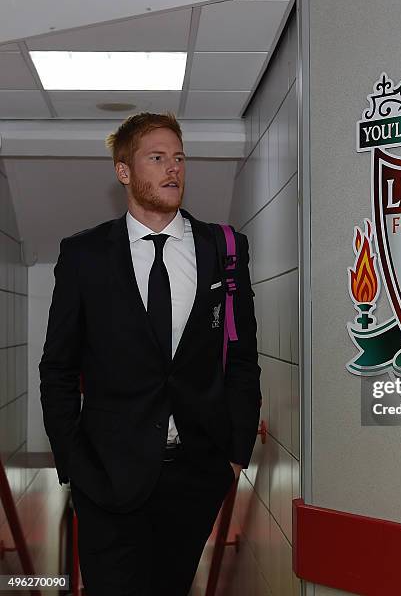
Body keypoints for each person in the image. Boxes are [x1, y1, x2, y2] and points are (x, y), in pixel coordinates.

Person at [39, 112, 261, 596]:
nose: (172, 169)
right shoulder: (84, 255)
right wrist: (72, 462)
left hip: (196, 476)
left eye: (179, 157)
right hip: (107, 476)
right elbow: (58, 367)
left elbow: (242, 357)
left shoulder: (223, 249)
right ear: (124, 171)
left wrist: (235, 454)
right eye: (157, 157)